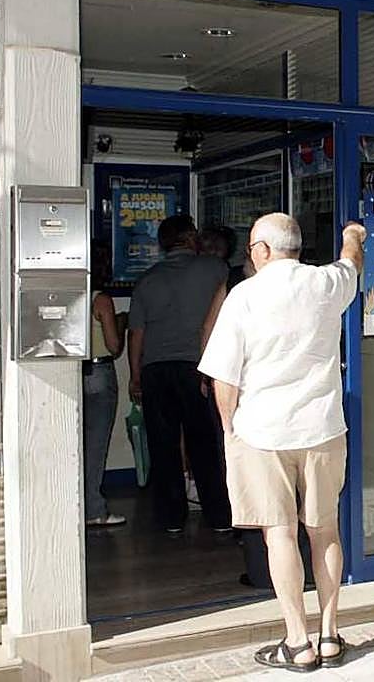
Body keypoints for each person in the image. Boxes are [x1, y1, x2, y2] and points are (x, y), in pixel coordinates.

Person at [199, 213, 364, 672]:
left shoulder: (244, 295)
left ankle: (297, 642)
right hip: (323, 429)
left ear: (263, 250)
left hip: (263, 433)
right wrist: (353, 234)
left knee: (280, 535)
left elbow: (224, 376)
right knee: (324, 531)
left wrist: (230, 430)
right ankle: (329, 635)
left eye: (252, 246)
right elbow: (352, 262)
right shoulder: (327, 284)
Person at [129, 214, 232, 533]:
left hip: (156, 370)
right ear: (190, 238)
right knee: (206, 444)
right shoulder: (215, 269)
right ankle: (219, 515)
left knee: (164, 447)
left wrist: (135, 375)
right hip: (198, 368)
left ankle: (172, 518)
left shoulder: (146, 280)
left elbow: (136, 334)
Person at [84, 242, 126, 528]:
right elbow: (113, 346)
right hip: (99, 371)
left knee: (76, 444)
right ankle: (94, 509)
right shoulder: (101, 300)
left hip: (75, 371)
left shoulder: (72, 294)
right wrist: (121, 323)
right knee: (96, 446)